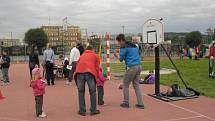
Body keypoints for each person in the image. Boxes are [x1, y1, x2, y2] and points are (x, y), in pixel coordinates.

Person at [116, 34, 144, 109]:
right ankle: (140, 103)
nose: (118, 44)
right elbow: (132, 55)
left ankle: (126, 103)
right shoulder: (134, 45)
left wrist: (116, 55)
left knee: (125, 84)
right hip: (139, 66)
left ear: (121, 40)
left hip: (131, 67)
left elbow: (121, 59)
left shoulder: (123, 47)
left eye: (118, 42)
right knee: (136, 85)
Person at [74, 46, 100, 116]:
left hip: (79, 73)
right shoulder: (95, 55)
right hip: (90, 73)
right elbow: (97, 68)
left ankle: (82, 110)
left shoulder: (82, 55)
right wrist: (97, 78)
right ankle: (93, 110)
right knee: (93, 91)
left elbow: (77, 65)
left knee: (81, 92)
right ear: (92, 49)